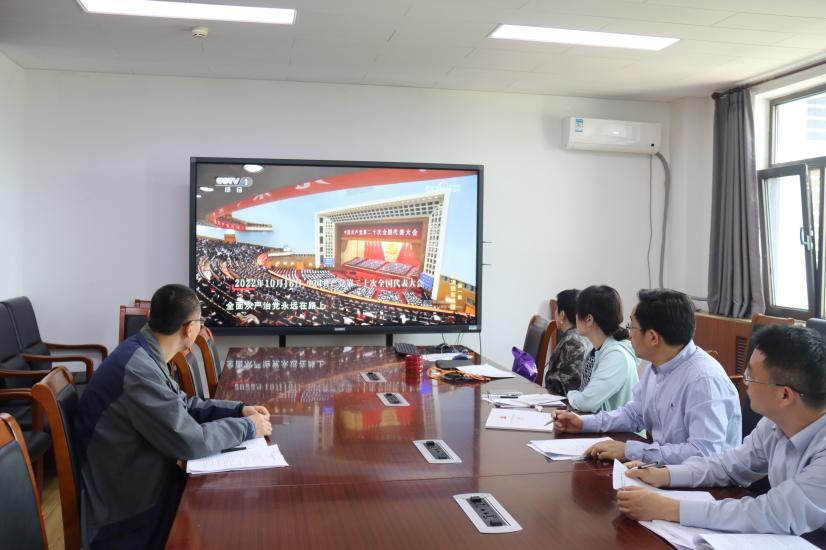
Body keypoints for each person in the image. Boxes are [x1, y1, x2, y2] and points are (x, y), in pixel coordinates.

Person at [75, 284, 273, 550]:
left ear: (151, 317)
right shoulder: (138, 369)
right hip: (128, 513)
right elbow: (190, 441)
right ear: (189, 329)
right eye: (201, 323)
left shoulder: (142, 351)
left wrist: (238, 409)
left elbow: (182, 404)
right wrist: (247, 428)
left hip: (144, 482)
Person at [617, 325, 826, 535]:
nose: (745, 382)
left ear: (784, 395)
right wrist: (666, 474)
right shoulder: (773, 424)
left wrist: (668, 508)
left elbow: (773, 513)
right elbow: (729, 466)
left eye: (750, 376)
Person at [554, 289, 742, 464]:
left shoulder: (703, 380)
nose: (629, 334)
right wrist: (583, 423)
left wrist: (632, 451)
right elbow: (634, 414)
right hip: (664, 470)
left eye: (633, 327)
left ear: (652, 337)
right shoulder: (657, 366)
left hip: (704, 483)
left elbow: (704, 454)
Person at [565, 285, 638, 412]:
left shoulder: (617, 356)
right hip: (594, 421)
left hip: (614, 425)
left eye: (577, 312)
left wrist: (571, 394)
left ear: (589, 319)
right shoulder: (594, 347)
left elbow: (587, 403)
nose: (575, 316)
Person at [544, 289, 590, 394]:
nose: (555, 313)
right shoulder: (584, 336)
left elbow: (560, 387)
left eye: (556, 309)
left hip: (565, 401)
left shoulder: (572, 342)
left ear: (562, 315)